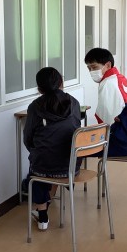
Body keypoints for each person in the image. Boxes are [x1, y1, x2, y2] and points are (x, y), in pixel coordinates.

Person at [23, 67, 82, 231]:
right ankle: (46, 204)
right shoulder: (74, 103)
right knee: (52, 159)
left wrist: (35, 151)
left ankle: (42, 215)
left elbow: (28, 138)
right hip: (70, 167)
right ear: (62, 83)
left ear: (39, 88)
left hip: (44, 167)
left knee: (41, 164)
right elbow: (76, 130)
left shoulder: (35, 107)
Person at [84, 48, 127, 157]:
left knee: (73, 146)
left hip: (120, 144)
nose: (91, 72)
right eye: (89, 68)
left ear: (107, 65)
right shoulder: (119, 79)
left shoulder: (108, 83)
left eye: (94, 67)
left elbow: (105, 122)